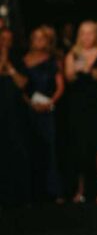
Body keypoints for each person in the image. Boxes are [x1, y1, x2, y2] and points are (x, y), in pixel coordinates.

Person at [64, 21, 97, 204]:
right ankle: (81, 188)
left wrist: (89, 70)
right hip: (78, 105)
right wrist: (77, 70)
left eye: (90, 33)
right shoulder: (72, 54)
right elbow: (69, 76)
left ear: (96, 35)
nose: (87, 37)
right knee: (79, 145)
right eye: (83, 33)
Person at [22, 25, 64, 201]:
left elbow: (60, 86)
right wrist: (30, 103)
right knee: (32, 146)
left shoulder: (53, 61)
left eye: (42, 38)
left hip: (49, 109)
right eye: (36, 38)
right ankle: (34, 191)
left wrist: (50, 102)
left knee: (51, 148)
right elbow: (22, 88)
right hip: (30, 109)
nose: (38, 41)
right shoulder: (25, 60)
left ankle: (54, 190)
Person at [0, 27, 32, 206]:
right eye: (2, 39)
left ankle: (20, 194)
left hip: (15, 112)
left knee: (17, 148)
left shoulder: (18, 60)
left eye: (8, 40)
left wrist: (10, 66)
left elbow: (22, 83)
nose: (5, 43)